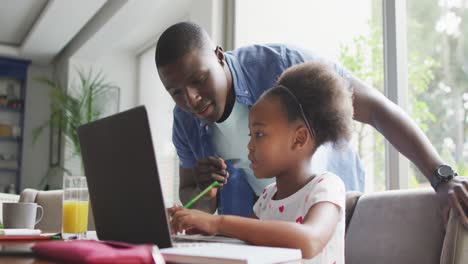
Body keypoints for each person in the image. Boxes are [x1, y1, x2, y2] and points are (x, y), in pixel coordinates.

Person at [156, 22, 468, 225]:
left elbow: (375, 109)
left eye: (199, 80)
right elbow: (193, 195)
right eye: (176, 92)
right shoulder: (185, 121)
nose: (191, 99)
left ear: (219, 57)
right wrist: (204, 194)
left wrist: (441, 176)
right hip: (264, 227)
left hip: (334, 217)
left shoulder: (281, 65)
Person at [171, 62, 351, 262]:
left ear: (299, 138)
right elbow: (246, 237)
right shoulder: (268, 196)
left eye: (259, 134)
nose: (249, 145)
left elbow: (309, 241)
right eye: (251, 135)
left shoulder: (326, 187)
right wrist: (200, 228)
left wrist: (217, 222)